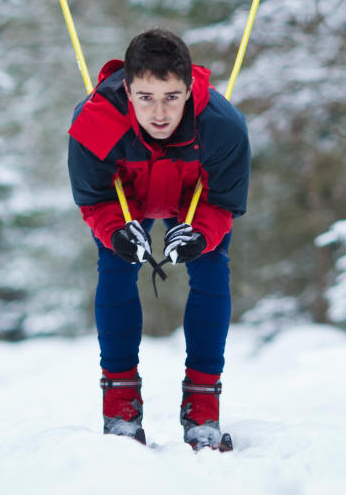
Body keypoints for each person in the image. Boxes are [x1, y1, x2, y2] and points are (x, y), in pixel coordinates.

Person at [67, 28, 251, 450]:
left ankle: (202, 405)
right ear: (128, 89)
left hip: (193, 200)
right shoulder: (94, 123)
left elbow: (223, 203)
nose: (160, 113)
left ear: (189, 89)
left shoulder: (222, 128)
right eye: (146, 97)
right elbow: (94, 200)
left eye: (171, 96)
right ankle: (120, 404)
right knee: (116, 269)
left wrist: (201, 236)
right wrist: (115, 231)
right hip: (124, 199)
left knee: (211, 269)